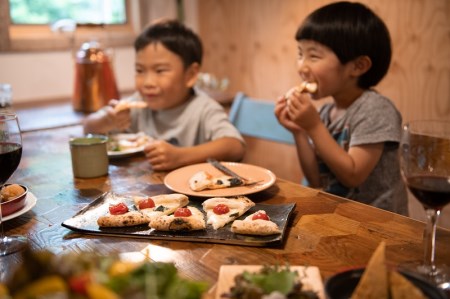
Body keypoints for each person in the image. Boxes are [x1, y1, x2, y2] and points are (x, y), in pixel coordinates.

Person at [274, 1, 408, 215]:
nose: (301, 66)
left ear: (357, 66)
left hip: (381, 224)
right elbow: (316, 178)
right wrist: (300, 131)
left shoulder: (376, 109)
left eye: (314, 56)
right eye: (300, 54)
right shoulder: (326, 112)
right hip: (341, 218)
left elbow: (353, 175)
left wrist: (314, 126)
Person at [83, 19, 245, 171]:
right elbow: (88, 127)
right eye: (140, 70)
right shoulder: (138, 104)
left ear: (190, 75)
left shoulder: (203, 108)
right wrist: (109, 120)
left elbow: (235, 146)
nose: (148, 82)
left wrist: (181, 157)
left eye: (160, 71)